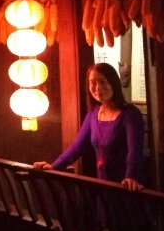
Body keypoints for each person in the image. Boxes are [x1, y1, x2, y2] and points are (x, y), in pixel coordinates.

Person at [33, 62, 145, 191]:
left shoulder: (130, 114)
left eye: (103, 82)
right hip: (103, 185)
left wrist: (131, 176)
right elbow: (77, 147)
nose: (98, 88)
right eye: (93, 83)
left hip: (127, 187)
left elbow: (135, 151)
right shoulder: (93, 114)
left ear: (113, 83)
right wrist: (53, 166)